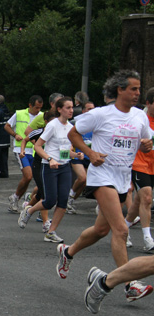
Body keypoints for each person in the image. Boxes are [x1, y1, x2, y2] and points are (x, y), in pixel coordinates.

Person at [56, 70, 154, 303]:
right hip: (102, 176)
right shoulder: (101, 114)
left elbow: (146, 145)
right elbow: (73, 133)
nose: (137, 93)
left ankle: (67, 252)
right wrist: (90, 153)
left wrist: (147, 145)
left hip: (122, 178)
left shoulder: (139, 117)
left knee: (101, 230)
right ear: (120, 90)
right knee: (121, 229)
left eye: (139, 89)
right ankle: (129, 284)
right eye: (133, 89)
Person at [18, 97, 79, 243]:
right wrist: (49, 159)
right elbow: (38, 146)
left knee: (63, 201)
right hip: (49, 166)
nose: (71, 110)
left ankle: (51, 232)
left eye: (72, 107)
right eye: (68, 107)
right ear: (59, 109)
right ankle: (29, 210)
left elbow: (64, 151)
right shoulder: (52, 125)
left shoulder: (70, 128)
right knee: (50, 200)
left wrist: (75, 154)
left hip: (64, 166)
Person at [123, 88, 154, 251]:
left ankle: (123, 228)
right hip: (139, 163)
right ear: (148, 103)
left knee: (138, 202)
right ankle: (148, 239)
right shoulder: (140, 119)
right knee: (147, 198)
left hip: (153, 165)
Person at [5, 95, 44, 213]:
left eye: (40, 108)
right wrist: (14, 134)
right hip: (21, 149)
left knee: (36, 179)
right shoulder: (19, 113)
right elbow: (7, 126)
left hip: (36, 151)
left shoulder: (43, 116)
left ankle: (20, 197)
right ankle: (16, 198)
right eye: (36, 108)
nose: (38, 110)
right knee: (28, 176)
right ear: (30, 105)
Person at [66, 101, 95, 214]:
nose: (91, 111)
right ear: (83, 111)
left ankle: (70, 201)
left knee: (85, 182)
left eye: (93, 109)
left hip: (89, 157)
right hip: (77, 156)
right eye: (88, 109)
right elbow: (69, 138)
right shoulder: (76, 124)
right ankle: (69, 197)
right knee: (82, 177)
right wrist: (72, 151)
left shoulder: (96, 125)